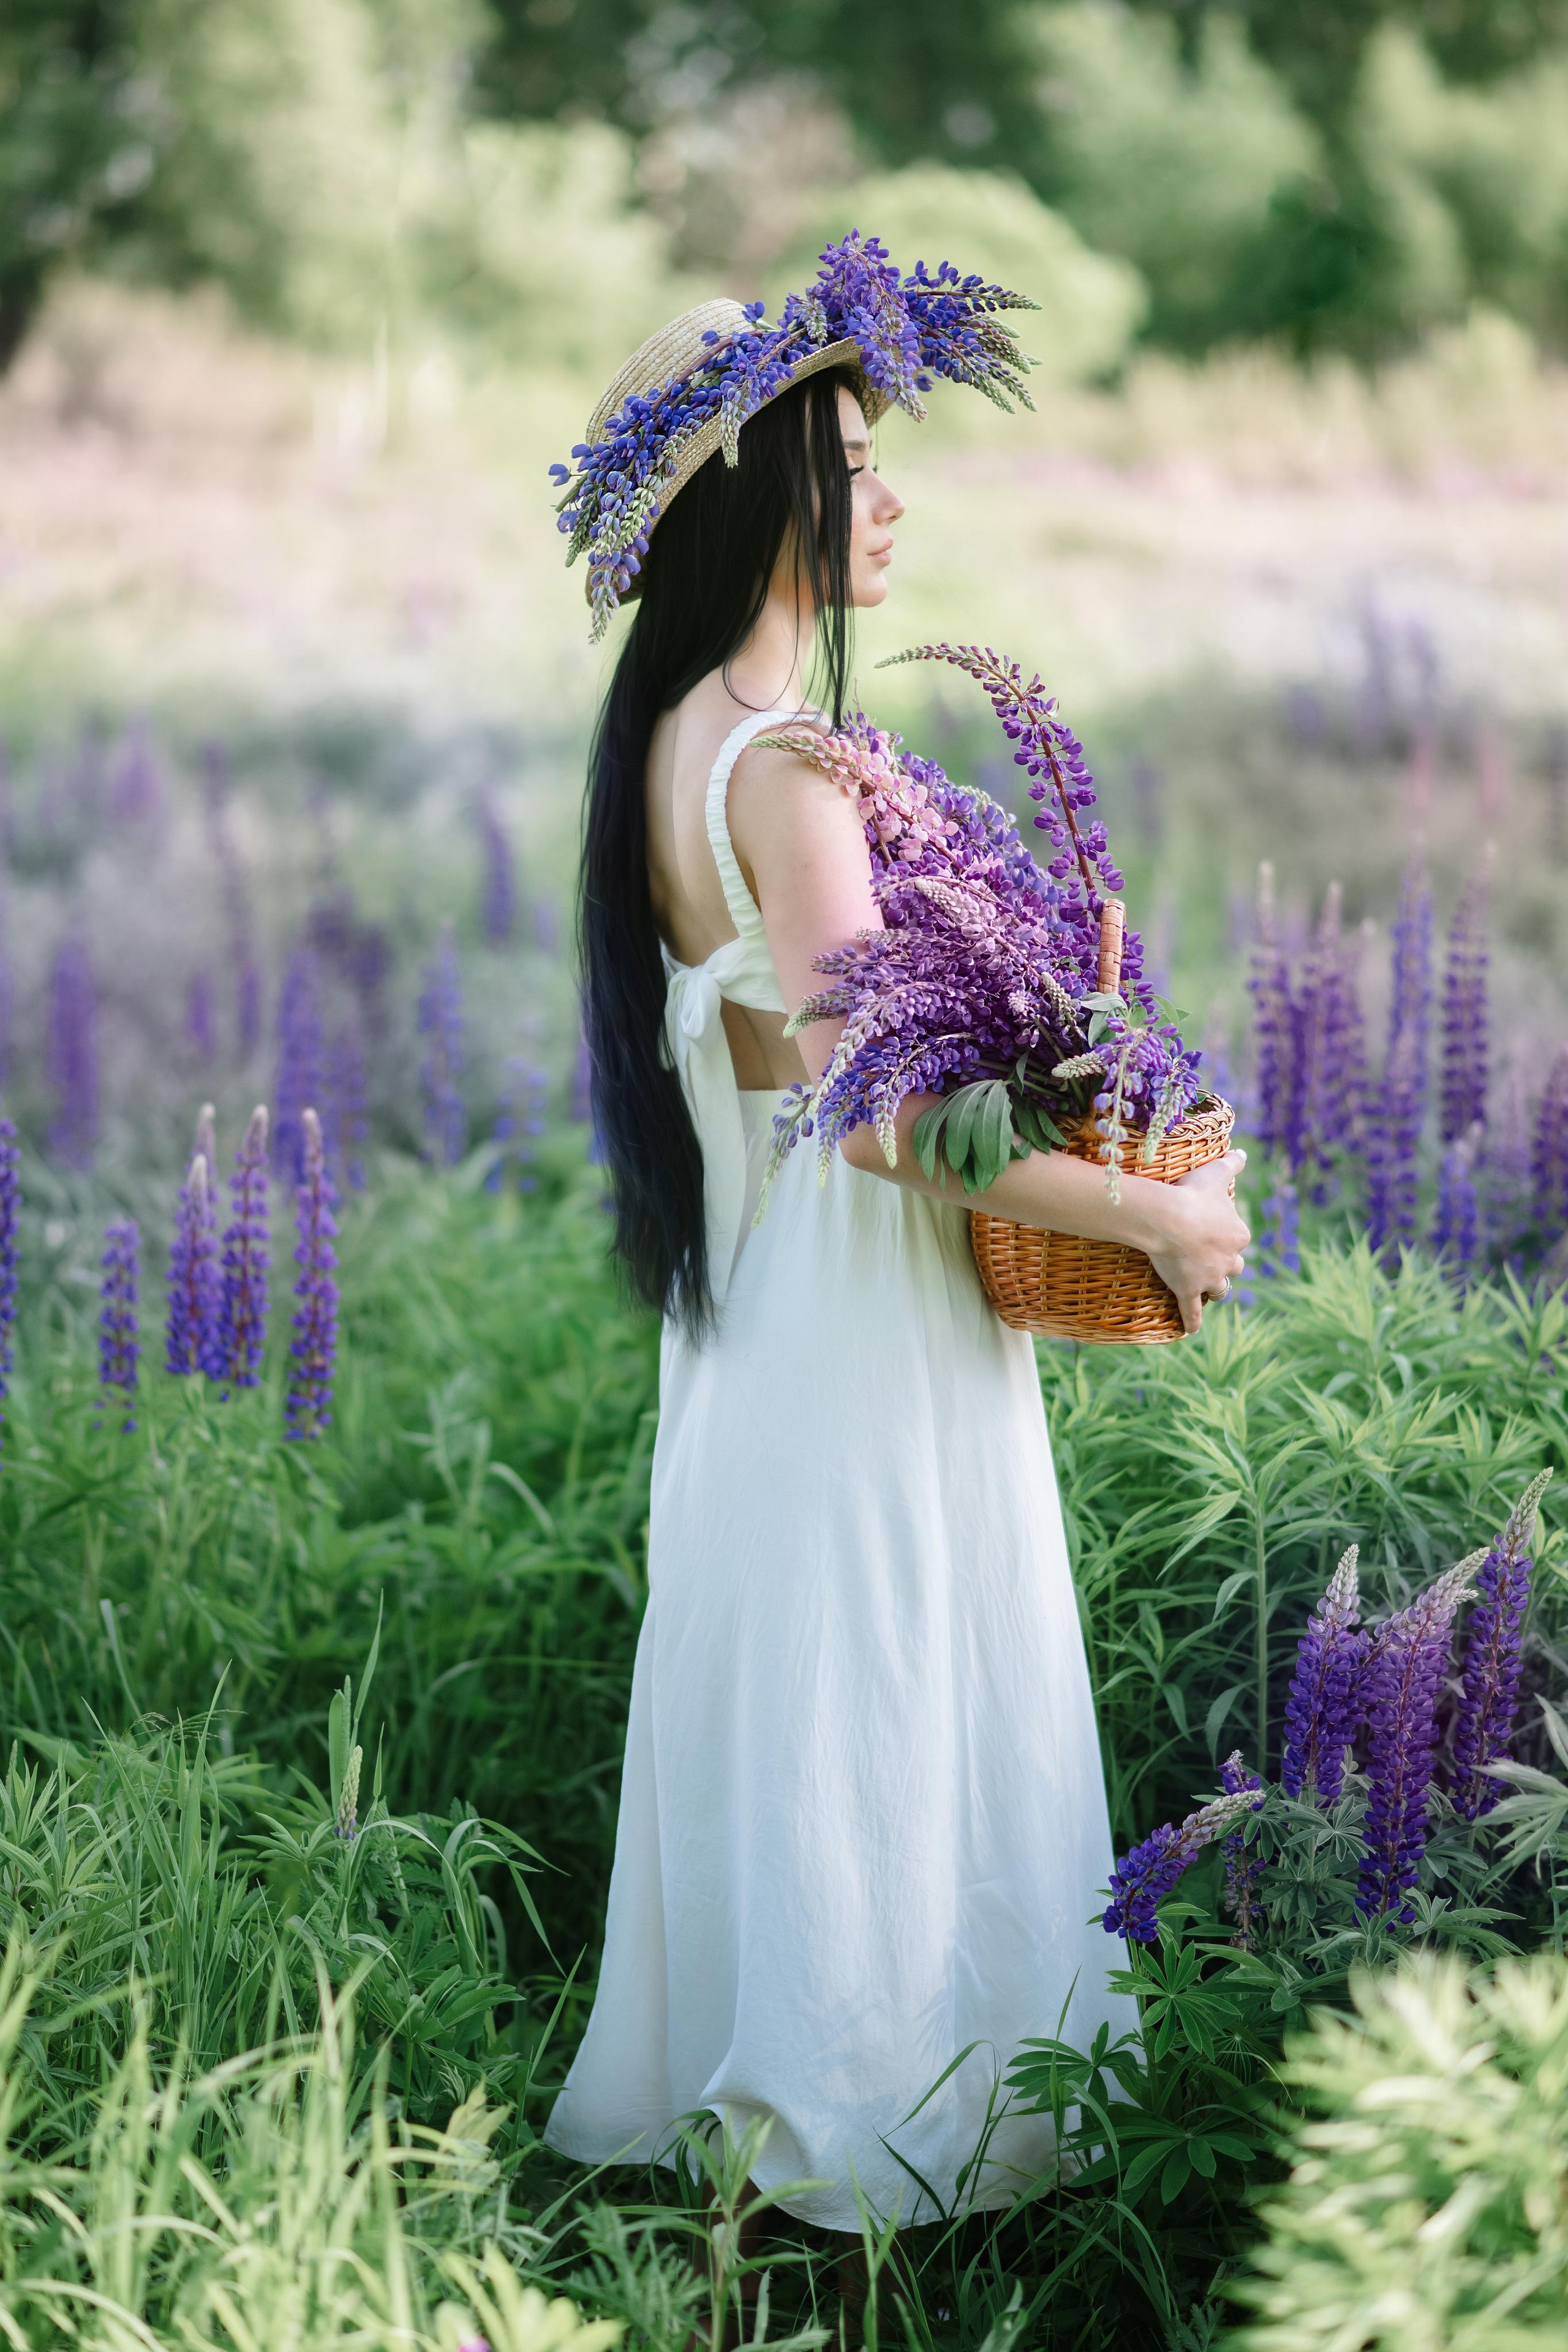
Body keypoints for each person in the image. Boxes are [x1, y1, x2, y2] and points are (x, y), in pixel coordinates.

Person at [543, 255, 1249, 2329]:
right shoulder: (786, 764)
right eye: (853, 466)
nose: (889, 507)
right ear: (759, 500)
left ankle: (785, 2159)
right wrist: (1158, 1225)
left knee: (818, 1715)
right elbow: (879, 1115)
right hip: (854, 1312)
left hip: (773, 1325)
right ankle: (872, 2172)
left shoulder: (681, 741)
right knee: (887, 1704)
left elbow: (817, 1080)